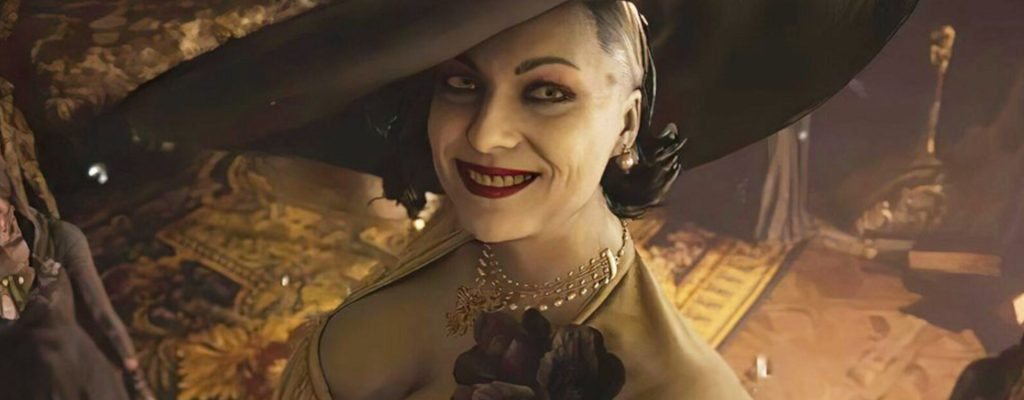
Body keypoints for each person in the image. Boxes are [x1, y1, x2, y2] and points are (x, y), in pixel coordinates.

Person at [89, 1, 918, 398]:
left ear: (628, 123)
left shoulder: (679, 391)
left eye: (547, 93)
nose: (484, 135)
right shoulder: (472, 234)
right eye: (462, 84)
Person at [0, 80, 154, 400]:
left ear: (11, 201)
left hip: (81, 373)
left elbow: (102, 313)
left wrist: (137, 379)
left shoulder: (60, 239)